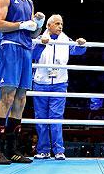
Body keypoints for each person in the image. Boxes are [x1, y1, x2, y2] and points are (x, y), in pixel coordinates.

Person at [0, 0, 45, 165]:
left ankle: (12, 149)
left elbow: (33, 33)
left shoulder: (29, 3)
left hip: (25, 50)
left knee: (21, 99)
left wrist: (38, 24)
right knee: (8, 96)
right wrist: (21, 24)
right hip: (10, 48)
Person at [32, 14, 87, 161]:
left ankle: (58, 151)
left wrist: (82, 44)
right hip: (40, 83)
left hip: (60, 83)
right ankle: (43, 150)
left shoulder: (65, 39)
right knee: (41, 118)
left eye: (61, 23)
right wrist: (41, 44)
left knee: (56, 117)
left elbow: (77, 51)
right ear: (48, 26)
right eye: (57, 23)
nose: (60, 26)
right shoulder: (39, 38)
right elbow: (32, 55)